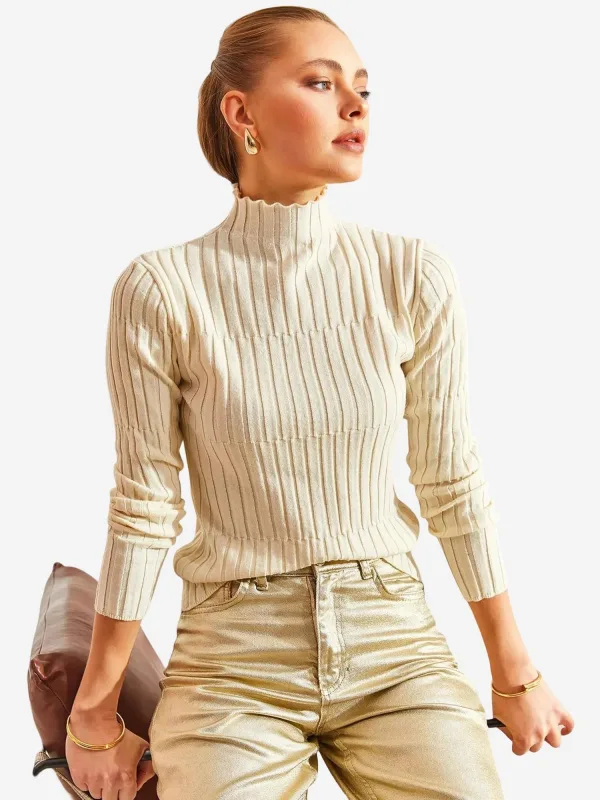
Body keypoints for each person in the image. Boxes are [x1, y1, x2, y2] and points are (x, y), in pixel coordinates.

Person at [65, 7, 574, 800]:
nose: (355, 105)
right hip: (233, 661)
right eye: (320, 83)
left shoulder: (411, 276)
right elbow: (144, 506)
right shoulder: (163, 290)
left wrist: (515, 672)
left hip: (394, 644)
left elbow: (451, 482)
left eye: (363, 88)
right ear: (242, 113)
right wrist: (93, 711)